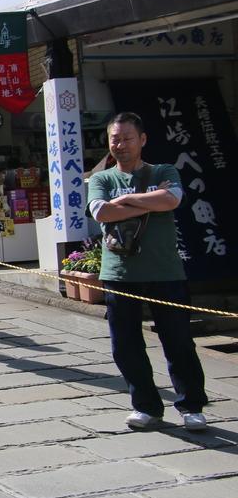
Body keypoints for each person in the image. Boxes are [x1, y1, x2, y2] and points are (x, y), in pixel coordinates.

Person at [88, 112, 208, 432]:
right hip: (119, 273)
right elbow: (102, 210)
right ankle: (146, 406)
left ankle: (191, 406)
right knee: (125, 346)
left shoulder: (163, 170)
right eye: (115, 138)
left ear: (142, 140)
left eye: (127, 138)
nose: (120, 144)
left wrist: (126, 199)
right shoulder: (101, 178)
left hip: (166, 271)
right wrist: (150, 201)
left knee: (179, 342)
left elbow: (173, 199)